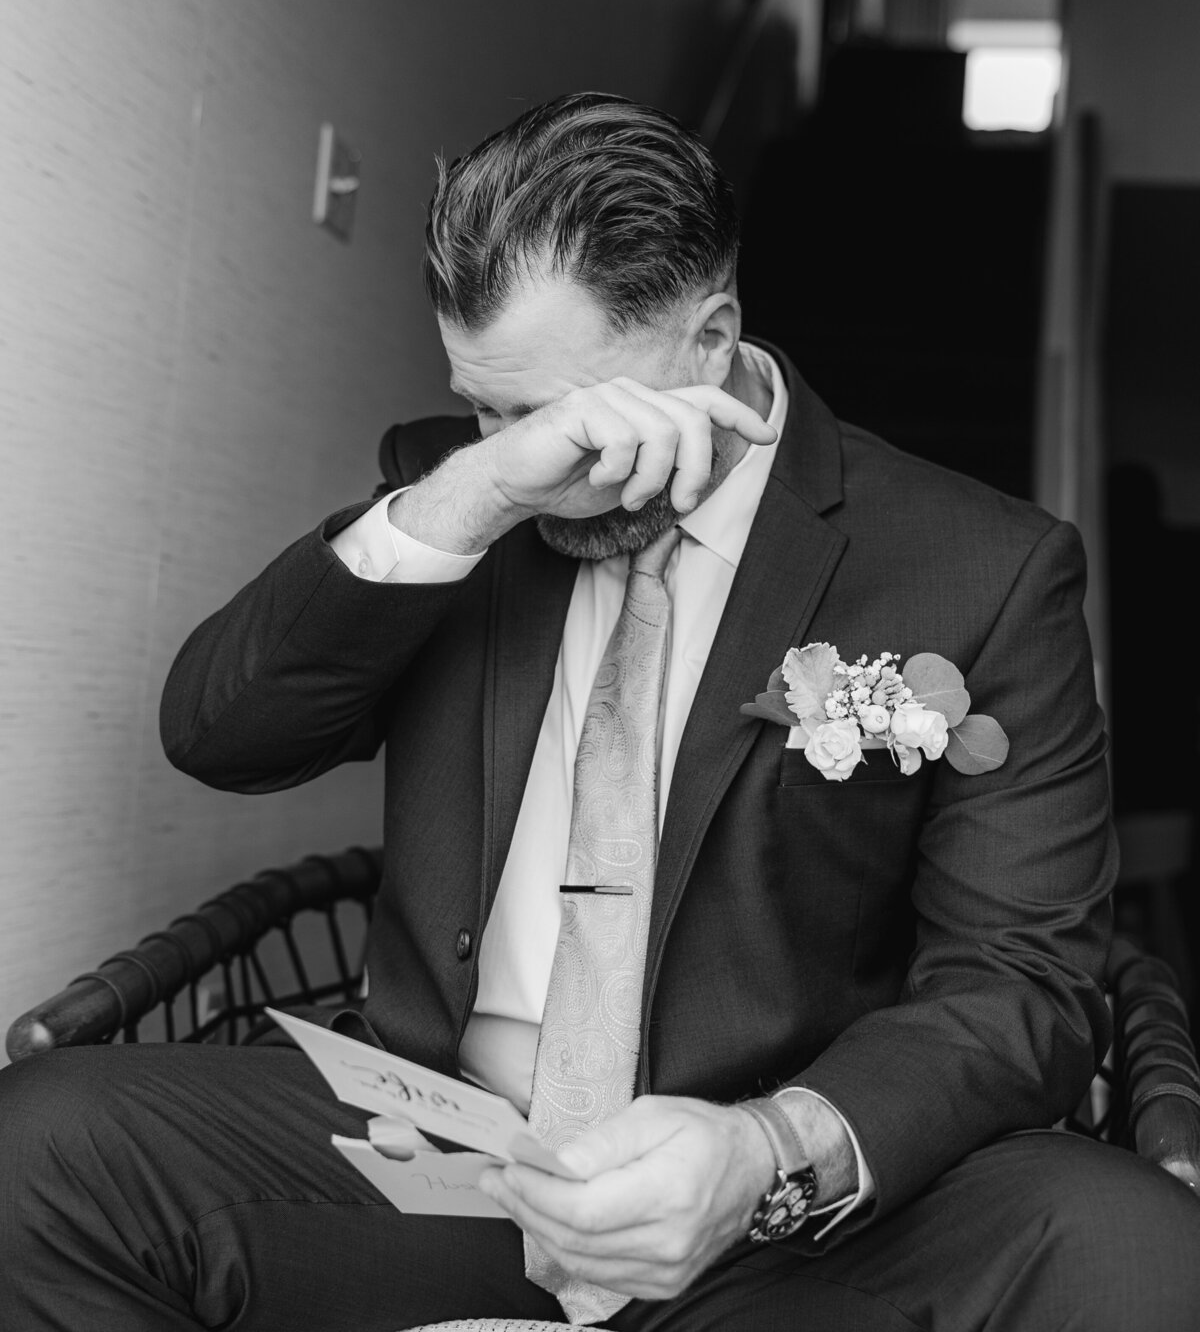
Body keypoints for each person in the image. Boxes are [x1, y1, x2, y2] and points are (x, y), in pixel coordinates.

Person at [2, 91, 1199, 1332]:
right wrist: (461, 500)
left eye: (559, 412)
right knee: (38, 1146)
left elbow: (1023, 980)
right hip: (444, 1160)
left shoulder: (979, 566)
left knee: (1137, 1254)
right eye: (486, 407)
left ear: (711, 337)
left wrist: (767, 1154)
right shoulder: (465, 493)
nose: (530, 450)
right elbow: (218, 734)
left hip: (778, 1220)